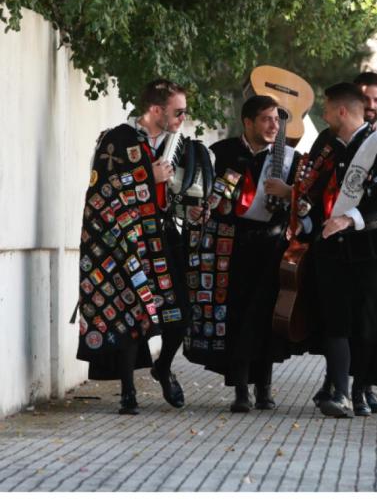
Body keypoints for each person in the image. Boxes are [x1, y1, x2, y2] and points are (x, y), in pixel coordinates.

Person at [75, 79, 207, 414]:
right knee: (131, 317)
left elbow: (172, 194)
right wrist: (147, 174)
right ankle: (128, 392)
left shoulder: (176, 144)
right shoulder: (117, 140)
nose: (183, 118)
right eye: (178, 112)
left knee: (180, 315)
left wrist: (187, 210)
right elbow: (100, 193)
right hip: (128, 243)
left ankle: (163, 367)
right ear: (156, 110)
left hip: (163, 239)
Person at [312, 72, 377, 416]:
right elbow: (311, 187)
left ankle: (361, 390)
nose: (323, 115)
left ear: (342, 110)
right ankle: (339, 391)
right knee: (334, 320)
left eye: (327, 109)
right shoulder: (326, 144)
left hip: (371, 246)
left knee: (367, 322)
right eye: (367, 98)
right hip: (331, 246)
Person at [183, 95, 299, 412]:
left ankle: (264, 388)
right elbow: (200, 193)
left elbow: (305, 201)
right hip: (230, 246)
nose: (274, 125)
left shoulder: (290, 159)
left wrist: (289, 194)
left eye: (277, 119)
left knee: (265, 317)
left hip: (272, 247)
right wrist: (197, 211)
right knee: (234, 315)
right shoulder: (222, 153)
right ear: (248, 122)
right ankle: (240, 391)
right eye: (266, 119)